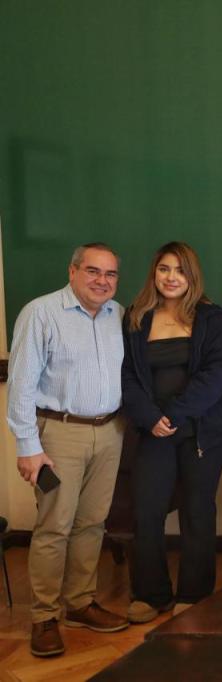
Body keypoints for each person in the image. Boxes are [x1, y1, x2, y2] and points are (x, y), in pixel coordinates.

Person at [7, 243, 128, 657]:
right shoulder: (41, 313)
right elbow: (21, 384)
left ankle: (80, 603)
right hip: (59, 434)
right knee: (54, 526)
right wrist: (28, 446)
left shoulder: (119, 315)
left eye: (110, 274)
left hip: (110, 431)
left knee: (93, 523)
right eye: (93, 271)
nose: (102, 281)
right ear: (73, 271)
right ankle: (44, 617)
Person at [121, 242, 222, 622]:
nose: (171, 277)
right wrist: (151, 417)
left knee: (198, 511)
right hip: (152, 431)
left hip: (202, 432)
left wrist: (174, 415)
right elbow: (129, 377)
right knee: (147, 510)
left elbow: (214, 377)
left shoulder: (213, 319)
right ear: (155, 272)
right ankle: (152, 595)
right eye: (164, 269)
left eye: (180, 270)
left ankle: (194, 594)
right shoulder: (136, 317)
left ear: (192, 276)